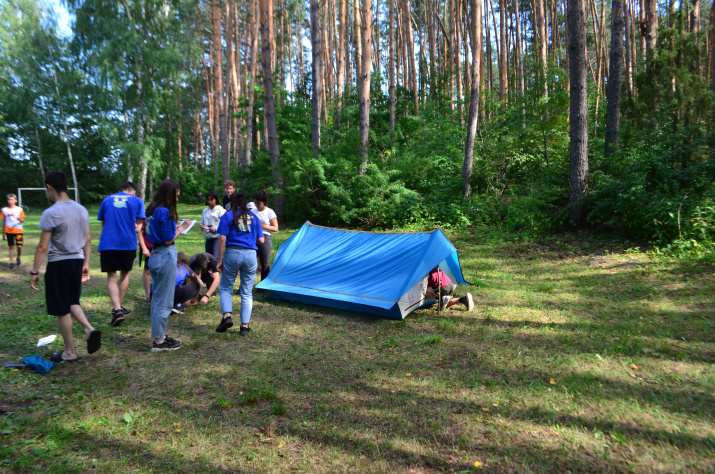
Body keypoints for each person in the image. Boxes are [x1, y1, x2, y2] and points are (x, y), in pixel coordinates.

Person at [30, 170, 101, 362]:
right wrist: (86, 262)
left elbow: (42, 246)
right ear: (67, 187)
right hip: (77, 261)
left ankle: (70, 351)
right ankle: (89, 328)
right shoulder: (82, 210)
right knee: (72, 302)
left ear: (49, 187)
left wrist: (35, 271)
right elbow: (87, 238)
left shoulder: (51, 212)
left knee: (62, 309)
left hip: (58, 264)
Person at [145, 179, 192, 352]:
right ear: (169, 195)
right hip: (165, 254)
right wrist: (182, 228)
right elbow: (168, 238)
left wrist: (175, 228)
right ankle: (159, 340)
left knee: (158, 297)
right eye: (176, 196)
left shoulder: (152, 210)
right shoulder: (164, 211)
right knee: (164, 300)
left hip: (155, 254)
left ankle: (159, 337)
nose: (177, 199)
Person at [97, 181, 146, 327]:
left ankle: (117, 308)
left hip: (108, 243)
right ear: (133, 191)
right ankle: (117, 308)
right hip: (127, 243)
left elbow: (103, 223)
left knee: (111, 276)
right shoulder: (137, 201)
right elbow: (138, 227)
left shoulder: (107, 199)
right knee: (125, 273)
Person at [215, 190, 264, 334]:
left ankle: (227, 316)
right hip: (250, 255)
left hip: (232, 253)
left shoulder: (228, 215)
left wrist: (220, 260)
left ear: (232, 202)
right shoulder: (254, 217)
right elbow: (261, 240)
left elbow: (222, 238)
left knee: (225, 287)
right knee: (247, 292)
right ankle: (244, 326)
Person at [247, 189, 278, 282]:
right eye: (255, 203)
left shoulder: (270, 212)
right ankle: (245, 284)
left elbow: (275, 228)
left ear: (264, 202)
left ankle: (263, 284)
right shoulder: (252, 211)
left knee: (264, 263)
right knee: (249, 262)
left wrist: (262, 226)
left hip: (265, 237)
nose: (256, 205)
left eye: (258, 203)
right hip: (253, 237)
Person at [199, 191, 226, 259]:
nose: (209, 201)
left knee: (215, 256)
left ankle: (216, 269)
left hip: (217, 236)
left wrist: (215, 229)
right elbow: (202, 221)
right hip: (208, 236)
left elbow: (224, 223)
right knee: (208, 256)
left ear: (215, 200)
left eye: (211, 200)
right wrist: (202, 226)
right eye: (208, 200)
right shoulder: (205, 210)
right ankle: (209, 269)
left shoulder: (221, 210)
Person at [2, 193, 25, 269]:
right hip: (8, 231)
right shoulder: (4, 210)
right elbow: (3, 221)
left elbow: (22, 220)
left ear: (15, 200)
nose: (10, 201)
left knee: (19, 246)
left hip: (18, 230)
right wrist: (3, 233)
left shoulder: (19, 209)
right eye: (8, 199)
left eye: (11, 199)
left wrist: (20, 219)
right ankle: (11, 263)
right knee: (11, 246)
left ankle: (18, 258)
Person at [137, 217, 153, 302]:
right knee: (147, 270)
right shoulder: (145, 217)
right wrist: (144, 248)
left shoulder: (162, 213)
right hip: (147, 247)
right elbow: (139, 232)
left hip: (158, 247)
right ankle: (148, 295)